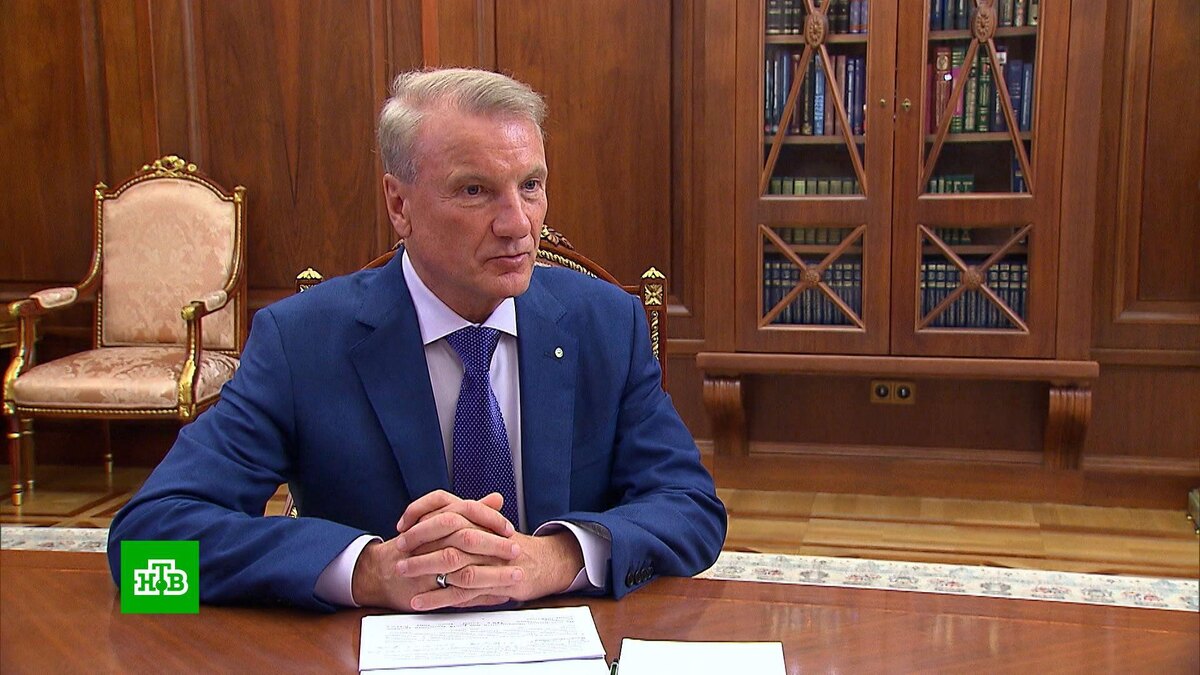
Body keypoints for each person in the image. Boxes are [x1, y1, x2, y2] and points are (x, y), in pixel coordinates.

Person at [107, 67, 726, 612]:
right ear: (399, 204)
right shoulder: (301, 342)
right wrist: (365, 572)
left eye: (531, 185)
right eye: (475, 190)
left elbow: (693, 510)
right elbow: (142, 557)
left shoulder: (606, 324)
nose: (518, 224)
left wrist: (558, 557)